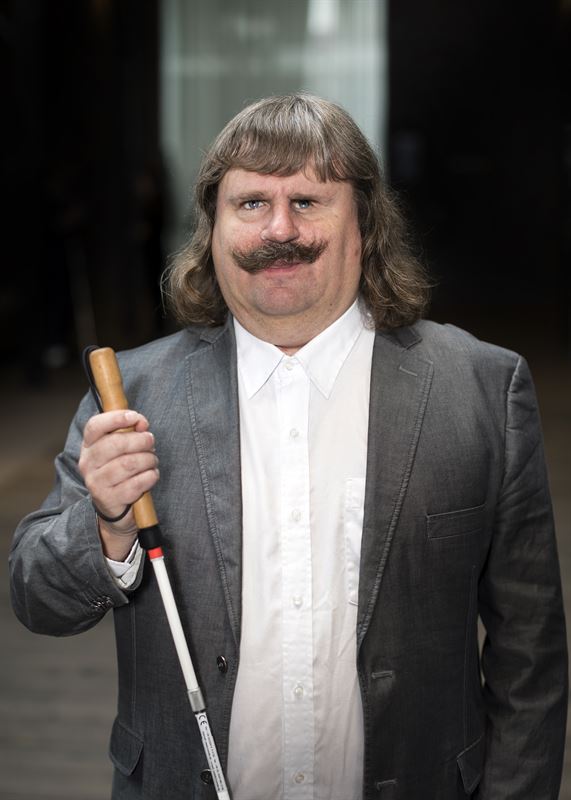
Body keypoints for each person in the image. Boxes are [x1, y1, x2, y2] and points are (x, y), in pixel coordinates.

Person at [10, 94, 568, 800]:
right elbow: (39, 599)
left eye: (307, 201)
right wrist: (106, 527)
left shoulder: (482, 389)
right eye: (250, 204)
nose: (279, 229)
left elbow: (529, 658)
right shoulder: (129, 394)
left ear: (365, 224)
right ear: (212, 229)